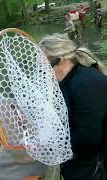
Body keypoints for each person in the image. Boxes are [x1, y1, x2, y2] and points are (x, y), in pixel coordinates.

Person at [39, 34, 107, 180]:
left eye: (45, 66)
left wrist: (52, 141)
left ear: (61, 59)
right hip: (80, 167)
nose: (44, 73)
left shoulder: (86, 83)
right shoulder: (67, 82)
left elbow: (89, 140)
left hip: (96, 169)